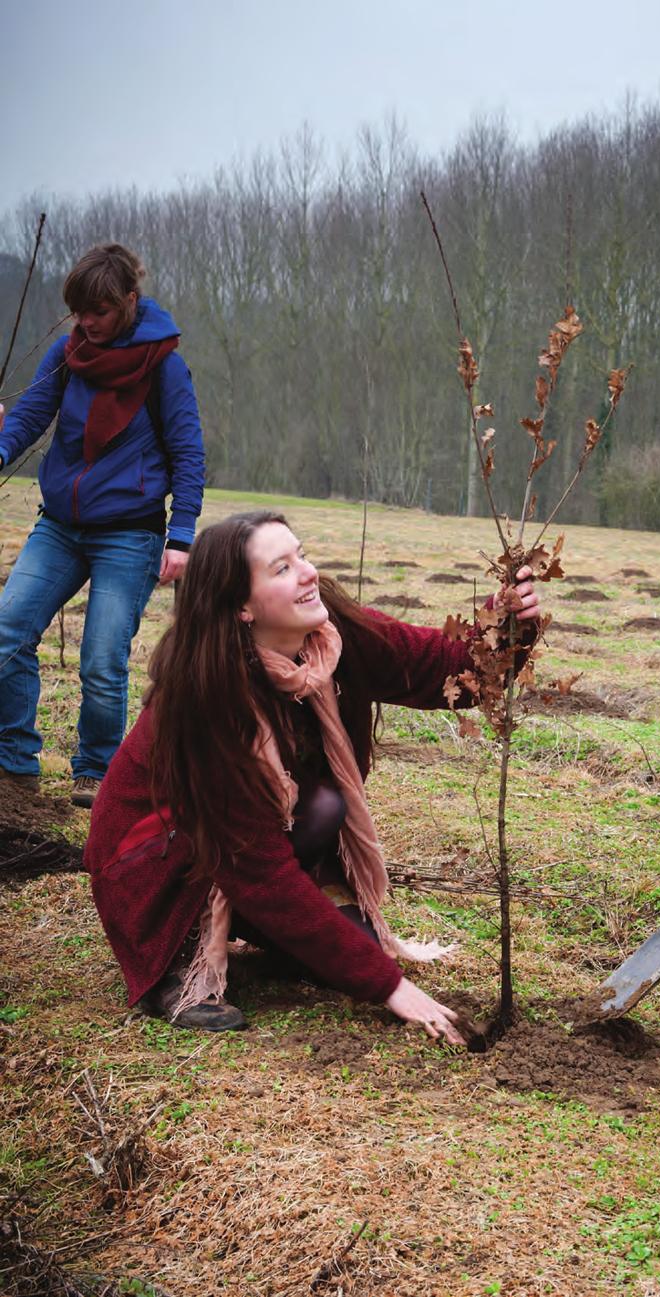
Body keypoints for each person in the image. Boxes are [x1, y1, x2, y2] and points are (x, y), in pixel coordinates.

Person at [84, 511, 542, 1044]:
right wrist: (396, 991)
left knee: (325, 812)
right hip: (154, 864)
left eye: (301, 554)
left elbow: (441, 669)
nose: (307, 572)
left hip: (247, 852)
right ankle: (181, 963)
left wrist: (506, 623)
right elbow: (259, 872)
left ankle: (268, 934)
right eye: (281, 568)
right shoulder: (207, 701)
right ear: (241, 606)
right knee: (358, 961)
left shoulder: (328, 638)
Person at [0, 243, 204, 807]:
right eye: (78, 312)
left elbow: (188, 452)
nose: (86, 323)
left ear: (129, 302)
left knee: (101, 658)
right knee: (8, 630)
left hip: (131, 533)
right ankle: (14, 763)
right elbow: (28, 419)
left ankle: (96, 772)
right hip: (60, 527)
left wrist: (181, 536)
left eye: (98, 312)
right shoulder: (70, 355)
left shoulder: (163, 365)